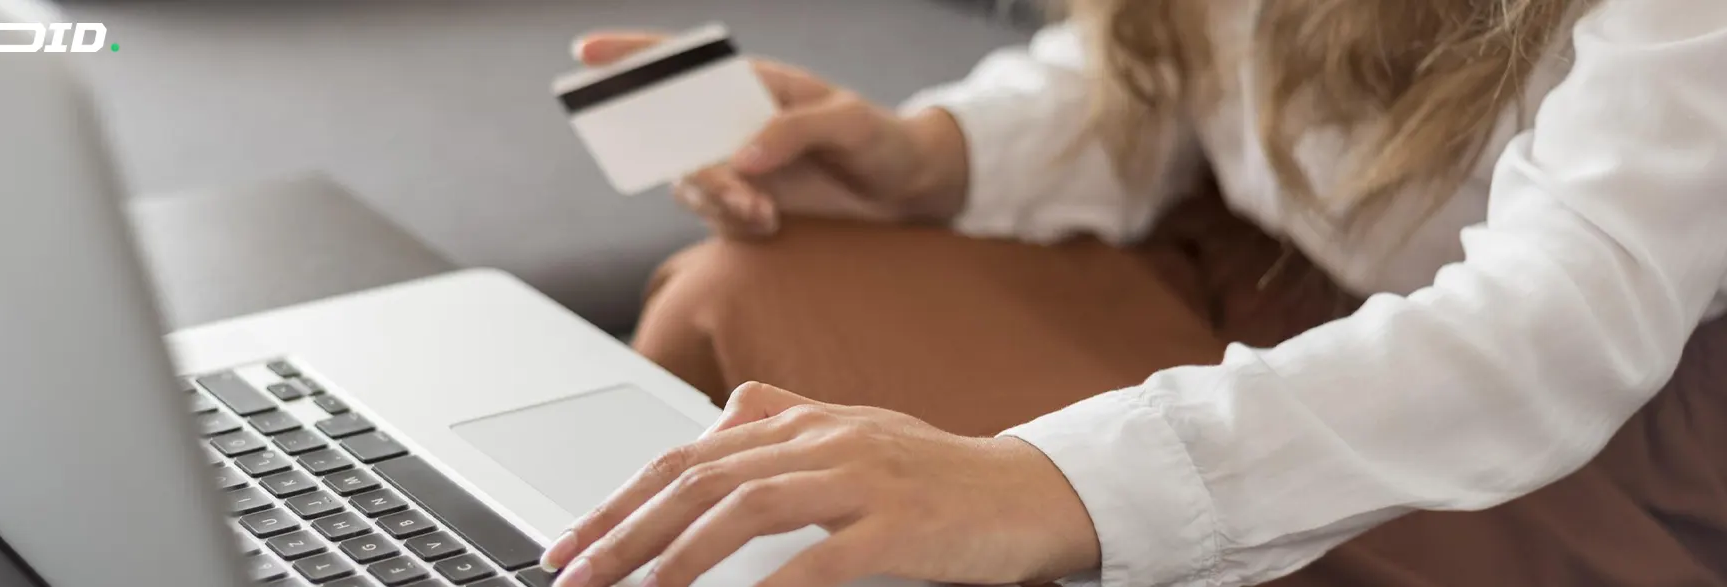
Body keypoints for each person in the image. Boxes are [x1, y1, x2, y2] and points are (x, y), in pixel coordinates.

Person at [543, 1, 1727, 586]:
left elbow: (1556, 319)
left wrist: (1049, 477)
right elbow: (1155, 69)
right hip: (1250, 274)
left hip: (1558, 422)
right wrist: (931, 155)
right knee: (757, 286)